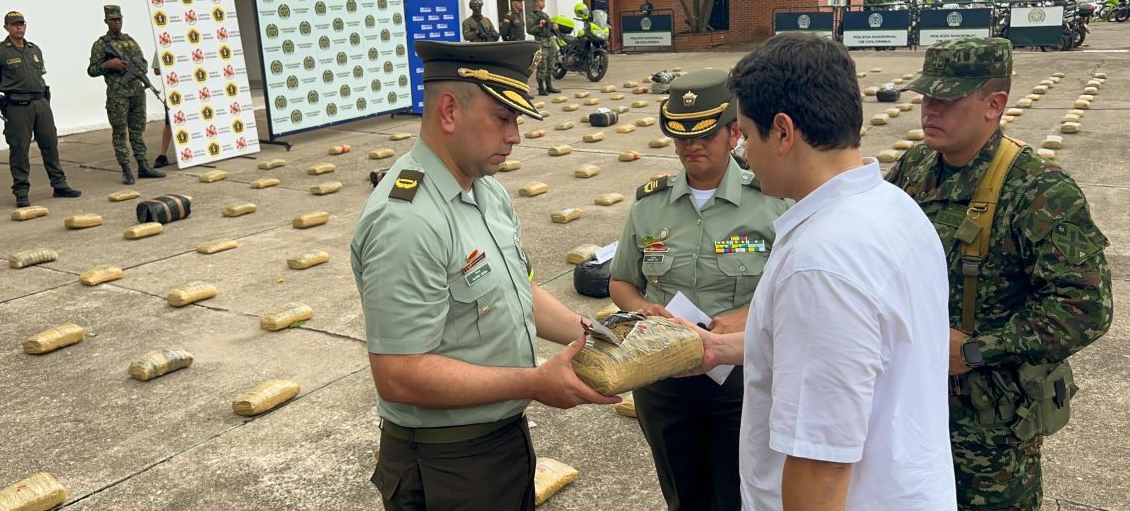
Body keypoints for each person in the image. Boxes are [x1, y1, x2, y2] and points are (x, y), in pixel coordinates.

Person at [688, 33, 957, 509]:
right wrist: (718, 348)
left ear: (783, 132)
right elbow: (857, 356)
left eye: (746, 135)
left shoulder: (821, 263)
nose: (743, 154)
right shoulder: (894, 208)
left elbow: (822, 465)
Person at [350, 40, 618, 511]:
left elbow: (520, 293)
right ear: (449, 111)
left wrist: (599, 336)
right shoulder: (407, 220)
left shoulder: (486, 192)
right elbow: (400, 375)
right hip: (448, 463)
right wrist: (534, 382)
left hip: (501, 442)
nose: (515, 136)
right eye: (502, 118)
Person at [886, 37, 1113, 510]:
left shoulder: (1038, 190)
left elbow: (1086, 308)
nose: (930, 110)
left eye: (948, 99)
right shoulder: (915, 167)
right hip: (907, 406)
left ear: (995, 105)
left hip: (988, 437)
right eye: (926, 96)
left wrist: (976, 350)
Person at [608, 69, 791, 511]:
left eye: (706, 134)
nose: (692, 145)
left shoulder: (771, 201)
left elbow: (795, 291)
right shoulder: (650, 204)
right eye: (682, 135)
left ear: (733, 134)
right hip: (663, 378)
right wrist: (644, 309)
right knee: (682, 494)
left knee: (738, 495)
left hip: (740, 378)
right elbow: (622, 281)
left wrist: (748, 317)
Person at [0, 11, 81, 208]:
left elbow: (41, 74)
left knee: (50, 144)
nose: (19, 27)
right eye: (14, 24)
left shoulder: (34, 50)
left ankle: (59, 185)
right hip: (18, 107)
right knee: (19, 149)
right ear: (6, 27)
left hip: (41, 103)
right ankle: (21, 192)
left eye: (21, 23)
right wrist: (12, 89)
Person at [87, 4, 166, 185]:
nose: (117, 22)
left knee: (137, 130)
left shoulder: (130, 41)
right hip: (118, 95)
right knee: (120, 132)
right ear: (106, 21)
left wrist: (139, 71)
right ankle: (126, 169)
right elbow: (92, 70)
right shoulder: (101, 45)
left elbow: (143, 63)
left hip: (137, 92)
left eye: (119, 19)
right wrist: (108, 65)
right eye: (113, 19)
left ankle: (143, 165)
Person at [527, 0, 561, 96]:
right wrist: (539, 25)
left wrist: (554, 27)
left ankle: (549, 86)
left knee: (550, 65)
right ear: (536, 2)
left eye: (544, 1)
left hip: (550, 43)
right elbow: (529, 30)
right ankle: (541, 88)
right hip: (541, 44)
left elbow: (550, 29)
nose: (543, 3)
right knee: (542, 66)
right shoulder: (532, 16)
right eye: (541, 1)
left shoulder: (545, 15)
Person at [152, 53, 171, 168]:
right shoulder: (162, 47)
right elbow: (157, 70)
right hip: (173, 91)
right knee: (169, 123)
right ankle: (163, 155)